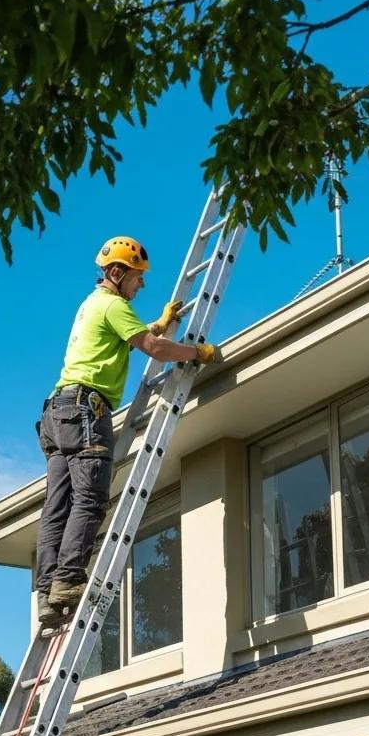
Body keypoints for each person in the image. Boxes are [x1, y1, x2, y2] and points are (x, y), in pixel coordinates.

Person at [35, 236, 219, 628]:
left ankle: (49, 592)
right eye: (138, 277)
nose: (143, 285)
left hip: (58, 413)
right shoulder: (113, 305)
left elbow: (133, 338)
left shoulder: (93, 304)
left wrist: (162, 323)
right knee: (91, 498)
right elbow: (153, 348)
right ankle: (67, 580)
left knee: (58, 506)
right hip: (86, 410)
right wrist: (195, 352)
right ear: (116, 273)